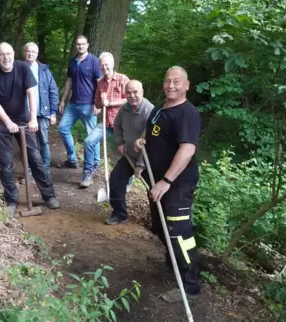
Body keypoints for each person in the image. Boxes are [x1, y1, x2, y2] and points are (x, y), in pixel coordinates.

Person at [134, 66, 201, 303]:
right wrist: (143, 138)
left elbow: (187, 149)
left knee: (179, 234)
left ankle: (190, 285)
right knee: (161, 228)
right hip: (156, 180)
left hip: (177, 184)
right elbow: (152, 129)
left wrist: (167, 180)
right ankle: (173, 262)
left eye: (176, 82)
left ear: (186, 85)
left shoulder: (187, 113)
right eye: (167, 81)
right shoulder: (161, 108)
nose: (171, 85)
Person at [0, 42, 60, 215]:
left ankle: (49, 196)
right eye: (2, 54)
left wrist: (33, 118)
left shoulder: (23, 68)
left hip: (23, 119)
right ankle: (11, 200)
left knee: (35, 157)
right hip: (1, 121)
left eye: (9, 54)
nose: (6, 57)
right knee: (5, 161)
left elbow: (32, 93)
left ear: (13, 54)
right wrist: (7, 122)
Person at [105, 80, 154, 224]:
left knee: (154, 190)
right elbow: (117, 126)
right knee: (116, 180)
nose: (132, 95)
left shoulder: (150, 111)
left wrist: (141, 165)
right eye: (128, 92)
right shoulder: (124, 108)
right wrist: (120, 143)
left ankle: (156, 222)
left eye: (135, 92)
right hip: (130, 156)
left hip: (149, 160)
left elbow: (152, 141)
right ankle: (120, 214)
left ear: (142, 92)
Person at [79, 52, 129, 188]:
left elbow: (129, 99)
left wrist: (111, 103)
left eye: (106, 64)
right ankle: (88, 173)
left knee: (126, 152)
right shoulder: (100, 83)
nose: (104, 67)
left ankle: (127, 182)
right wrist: (101, 101)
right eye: (101, 65)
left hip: (122, 125)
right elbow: (97, 104)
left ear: (112, 64)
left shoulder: (122, 79)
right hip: (106, 124)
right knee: (89, 141)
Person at [56, 35, 101, 172]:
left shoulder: (94, 61)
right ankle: (72, 159)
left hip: (89, 105)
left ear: (87, 45)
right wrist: (63, 100)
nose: (80, 46)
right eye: (78, 44)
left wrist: (97, 103)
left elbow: (100, 83)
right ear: (75, 46)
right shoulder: (72, 62)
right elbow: (69, 82)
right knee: (62, 128)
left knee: (92, 134)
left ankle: (95, 163)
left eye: (83, 44)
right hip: (73, 103)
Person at [22, 42, 59, 179]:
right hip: (25, 112)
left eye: (33, 52)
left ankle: (45, 170)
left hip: (43, 112)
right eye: (28, 51)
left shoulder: (44, 70)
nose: (30, 54)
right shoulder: (19, 68)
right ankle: (32, 170)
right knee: (30, 144)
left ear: (37, 54)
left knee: (43, 141)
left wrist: (53, 112)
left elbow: (53, 90)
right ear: (24, 52)